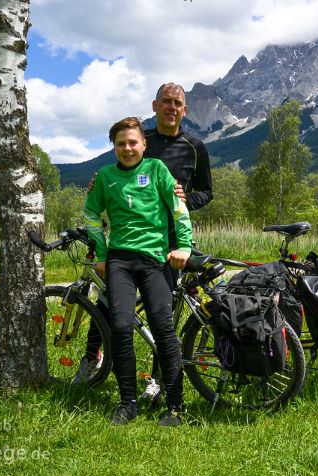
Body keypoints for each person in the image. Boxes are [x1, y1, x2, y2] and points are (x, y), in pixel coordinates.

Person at [73, 82, 213, 401]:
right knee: (108, 303)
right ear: (155, 106)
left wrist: (185, 198)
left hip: (171, 241)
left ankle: (158, 380)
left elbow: (207, 191)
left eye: (177, 103)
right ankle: (92, 358)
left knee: (163, 314)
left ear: (184, 110)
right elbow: (121, 167)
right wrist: (100, 181)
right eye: (166, 102)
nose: (171, 107)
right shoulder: (141, 139)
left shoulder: (195, 146)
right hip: (127, 244)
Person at [84, 116, 192, 426]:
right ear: (114, 147)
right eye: (121, 144)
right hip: (119, 261)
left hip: (154, 261)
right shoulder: (105, 177)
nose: (127, 148)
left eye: (133, 142)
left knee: (163, 329)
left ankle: (174, 406)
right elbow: (91, 212)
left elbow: (178, 208)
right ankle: (128, 401)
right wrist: (102, 253)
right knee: (119, 327)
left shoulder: (157, 169)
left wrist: (183, 246)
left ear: (143, 144)